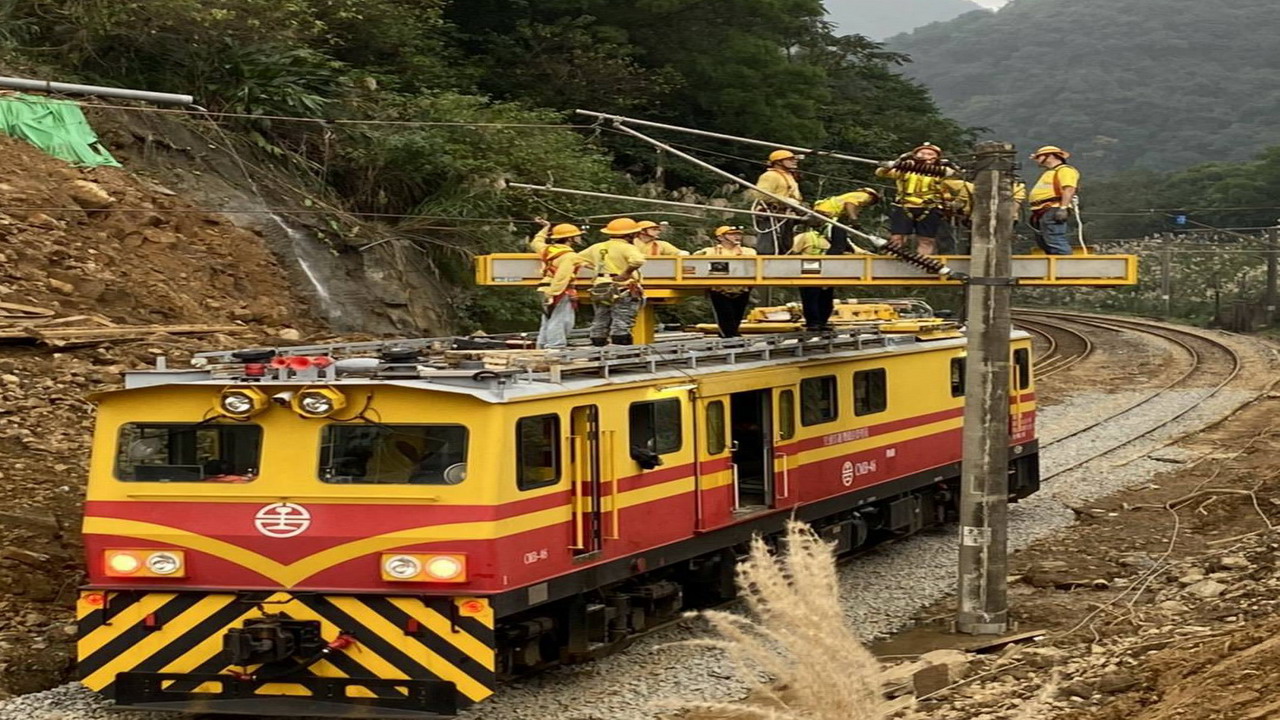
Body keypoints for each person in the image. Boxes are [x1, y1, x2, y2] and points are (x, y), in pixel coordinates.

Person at [876, 143, 956, 256]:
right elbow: (881, 172)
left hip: (929, 207)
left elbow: (956, 177)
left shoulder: (941, 171)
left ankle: (924, 260)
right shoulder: (905, 168)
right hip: (904, 206)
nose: (926, 156)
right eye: (922, 153)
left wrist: (950, 166)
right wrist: (897, 162)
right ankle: (893, 261)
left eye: (930, 154)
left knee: (926, 239)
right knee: (897, 238)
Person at [580, 218, 647, 346]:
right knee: (622, 320)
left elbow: (576, 259)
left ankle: (599, 349)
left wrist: (595, 267)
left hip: (600, 288)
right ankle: (621, 352)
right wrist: (626, 273)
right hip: (621, 288)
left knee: (600, 319)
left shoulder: (597, 247)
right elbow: (638, 261)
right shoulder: (627, 247)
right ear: (630, 234)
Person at [529, 219, 589, 349]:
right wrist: (553, 294)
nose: (579, 237)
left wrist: (546, 228)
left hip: (544, 288)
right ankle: (555, 347)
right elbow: (562, 277)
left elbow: (536, 242)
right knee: (561, 320)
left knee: (548, 320)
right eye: (577, 235)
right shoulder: (569, 256)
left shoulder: (546, 249)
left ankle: (543, 345)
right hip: (559, 291)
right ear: (570, 238)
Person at [693, 226, 757, 338]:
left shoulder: (749, 251)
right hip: (719, 290)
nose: (737, 236)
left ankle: (733, 335)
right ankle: (729, 337)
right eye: (732, 234)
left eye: (738, 234)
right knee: (724, 315)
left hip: (742, 289)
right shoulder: (710, 252)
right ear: (720, 237)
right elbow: (693, 260)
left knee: (737, 315)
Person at [1027, 145, 1080, 255]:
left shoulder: (1065, 170)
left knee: (1055, 240)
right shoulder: (1050, 172)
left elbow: (1069, 189)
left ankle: (1066, 267)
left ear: (1049, 156)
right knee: (1045, 242)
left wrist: (1063, 208)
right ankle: (1056, 267)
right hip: (1043, 210)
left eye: (1039, 157)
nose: (1037, 160)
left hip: (1053, 208)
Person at [751, 149, 804, 254]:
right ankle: (766, 265)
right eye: (790, 159)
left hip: (786, 214)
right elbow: (761, 194)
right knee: (769, 245)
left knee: (786, 245)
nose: (794, 161)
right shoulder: (770, 175)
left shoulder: (790, 176)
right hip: (772, 214)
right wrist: (785, 200)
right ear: (778, 162)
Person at [790, 220, 835, 332]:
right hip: (809, 272)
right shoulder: (805, 237)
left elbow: (852, 249)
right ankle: (813, 322)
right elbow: (791, 250)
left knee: (826, 299)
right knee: (811, 298)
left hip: (828, 272)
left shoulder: (834, 240)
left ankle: (822, 322)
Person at [812, 187, 881, 254]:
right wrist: (854, 220)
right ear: (872, 198)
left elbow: (844, 216)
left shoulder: (851, 196)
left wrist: (852, 225)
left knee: (840, 242)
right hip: (826, 214)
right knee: (839, 245)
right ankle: (832, 257)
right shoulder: (865, 196)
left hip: (823, 213)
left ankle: (837, 253)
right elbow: (850, 204)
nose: (868, 204)